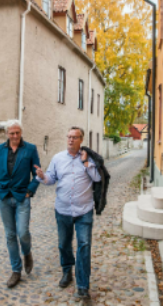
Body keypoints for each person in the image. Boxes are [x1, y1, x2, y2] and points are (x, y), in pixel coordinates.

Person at [35, 126, 101, 299]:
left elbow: (98, 178)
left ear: (81, 140)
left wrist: (86, 163)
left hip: (84, 210)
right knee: (64, 244)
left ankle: (83, 285)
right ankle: (67, 271)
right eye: (69, 137)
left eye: (75, 137)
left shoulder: (89, 158)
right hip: (63, 210)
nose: (71, 140)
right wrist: (42, 176)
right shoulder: (57, 158)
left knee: (84, 246)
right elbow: (51, 179)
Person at [0, 120, 41, 288]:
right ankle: (16, 271)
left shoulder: (30, 149)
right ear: (7, 133)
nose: (15, 136)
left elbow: (37, 174)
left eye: (17, 132)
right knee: (10, 235)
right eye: (12, 133)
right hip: (3, 198)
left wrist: (29, 191)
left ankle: (27, 253)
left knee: (23, 232)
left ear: (21, 132)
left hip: (22, 197)